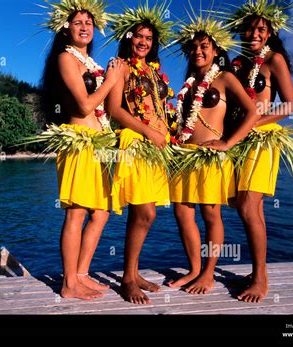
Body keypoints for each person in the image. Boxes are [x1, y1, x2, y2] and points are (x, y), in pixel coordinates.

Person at [166, 13, 259, 295]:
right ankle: (194, 269)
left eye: (204, 46)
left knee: (210, 213)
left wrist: (228, 143)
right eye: (193, 47)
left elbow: (252, 113)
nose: (198, 51)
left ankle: (208, 273)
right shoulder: (188, 84)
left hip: (211, 157)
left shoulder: (226, 78)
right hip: (185, 155)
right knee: (182, 212)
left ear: (216, 50)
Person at [36, 0, 123, 300]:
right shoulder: (65, 59)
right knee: (76, 214)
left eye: (88, 22)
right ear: (66, 28)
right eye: (77, 22)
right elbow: (86, 104)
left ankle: (81, 274)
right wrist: (111, 81)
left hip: (98, 145)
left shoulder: (92, 64)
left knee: (100, 213)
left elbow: (105, 109)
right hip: (78, 142)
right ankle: (68, 283)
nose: (84, 27)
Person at [227, 0, 293, 302]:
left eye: (261, 29)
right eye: (250, 28)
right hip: (238, 140)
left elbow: (291, 104)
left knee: (248, 206)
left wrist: (256, 123)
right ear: (242, 31)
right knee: (246, 207)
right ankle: (258, 272)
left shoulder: (274, 60)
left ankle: (261, 279)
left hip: (261, 139)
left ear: (269, 33)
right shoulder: (237, 63)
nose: (255, 33)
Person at [105, 2, 175, 304]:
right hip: (137, 141)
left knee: (144, 214)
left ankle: (132, 273)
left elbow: (163, 109)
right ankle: (126, 278)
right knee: (144, 212)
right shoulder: (121, 65)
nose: (143, 41)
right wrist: (148, 131)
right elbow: (114, 108)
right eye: (138, 36)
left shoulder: (155, 71)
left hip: (158, 147)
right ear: (129, 38)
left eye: (148, 38)